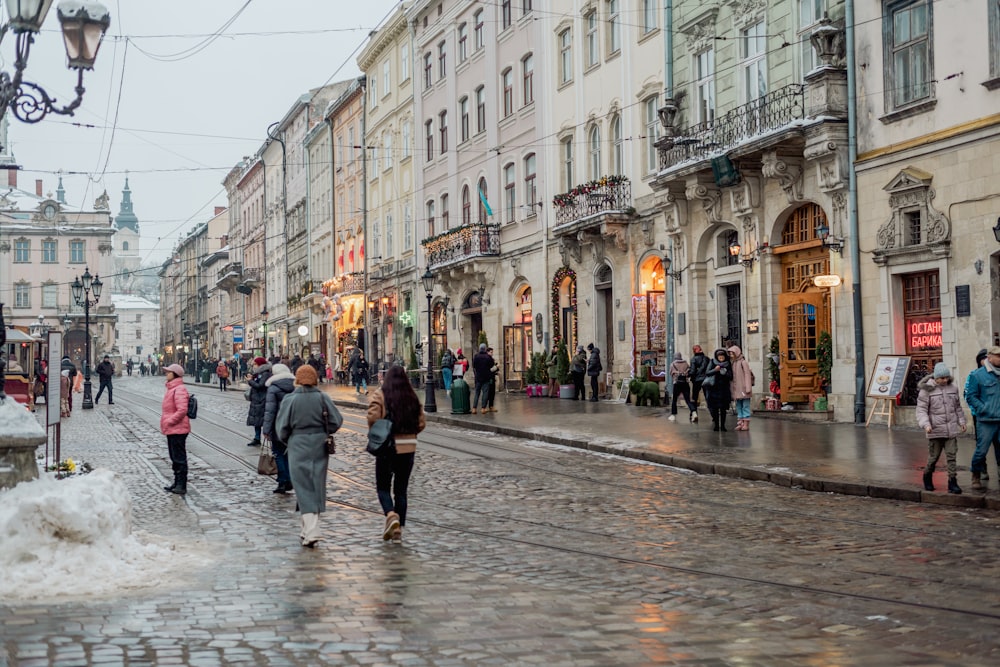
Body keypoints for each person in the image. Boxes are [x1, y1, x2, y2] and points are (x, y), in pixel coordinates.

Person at [276, 365, 343, 547]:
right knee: (316, 484)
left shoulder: (290, 399)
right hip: (320, 444)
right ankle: (306, 528)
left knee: (302, 486)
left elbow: (281, 428)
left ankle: (312, 530)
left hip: (297, 444)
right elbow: (336, 421)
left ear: (297, 379)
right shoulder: (323, 397)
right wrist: (323, 431)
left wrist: (289, 440)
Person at [367, 365, 426, 543]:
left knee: (383, 487)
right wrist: (409, 434)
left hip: (387, 447)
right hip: (408, 448)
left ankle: (391, 515)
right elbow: (421, 423)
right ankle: (398, 530)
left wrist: (379, 430)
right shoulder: (412, 397)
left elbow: (372, 417)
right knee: (401, 490)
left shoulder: (381, 395)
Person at [917, 363, 965, 494]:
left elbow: (957, 407)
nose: (945, 380)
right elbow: (921, 410)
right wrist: (926, 424)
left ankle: (952, 482)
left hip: (950, 430)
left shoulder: (953, 388)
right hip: (935, 430)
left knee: (951, 456)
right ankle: (927, 477)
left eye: (947, 378)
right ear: (936, 378)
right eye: (942, 378)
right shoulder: (926, 390)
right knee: (933, 457)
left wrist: (961, 421)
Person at [964, 346, 1000, 491]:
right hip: (986, 420)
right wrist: (982, 408)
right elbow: (971, 396)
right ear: (989, 358)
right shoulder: (977, 375)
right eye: (998, 356)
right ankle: (976, 475)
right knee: (981, 450)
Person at [262, 363, 296, 494]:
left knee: (278, 453)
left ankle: (283, 480)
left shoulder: (273, 387)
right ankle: (289, 478)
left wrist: (266, 430)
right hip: (292, 425)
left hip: (278, 425)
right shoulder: (295, 386)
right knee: (288, 453)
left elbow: (269, 411)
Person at [160, 364, 191, 495]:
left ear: (175, 374)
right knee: (174, 456)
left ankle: (181, 484)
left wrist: (170, 421)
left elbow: (182, 410)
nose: (166, 374)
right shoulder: (172, 388)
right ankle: (176, 481)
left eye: (169, 372)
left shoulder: (179, 389)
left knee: (179, 457)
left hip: (178, 428)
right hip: (172, 428)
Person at [245, 356, 272, 447]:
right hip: (257, 400)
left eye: (255, 364)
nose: (254, 366)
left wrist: (250, 381)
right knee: (257, 420)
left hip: (262, 400)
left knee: (262, 419)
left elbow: (260, 385)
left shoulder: (265, 373)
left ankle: (268, 437)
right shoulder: (258, 373)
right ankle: (257, 438)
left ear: (260, 364)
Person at [705, 348, 733, 432]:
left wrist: (725, 372)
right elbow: (707, 372)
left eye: (722, 357)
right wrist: (715, 370)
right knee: (715, 408)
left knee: (723, 409)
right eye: (719, 357)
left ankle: (723, 426)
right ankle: (716, 425)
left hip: (724, 389)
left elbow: (731, 376)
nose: (721, 358)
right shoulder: (712, 362)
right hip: (714, 388)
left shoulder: (728, 364)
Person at [728, 345, 753, 431]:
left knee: (745, 406)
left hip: (743, 388)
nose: (731, 356)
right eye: (730, 354)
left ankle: (746, 423)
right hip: (736, 389)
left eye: (732, 354)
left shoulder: (743, 362)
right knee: (739, 406)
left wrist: (748, 387)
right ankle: (740, 422)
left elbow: (747, 375)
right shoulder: (733, 363)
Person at [667, 352, 695, 422]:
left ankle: (673, 415)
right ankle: (694, 412)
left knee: (674, 399)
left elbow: (671, 373)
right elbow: (689, 372)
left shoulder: (673, 364)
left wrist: (676, 374)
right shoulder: (686, 363)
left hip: (677, 383)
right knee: (688, 400)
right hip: (685, 383)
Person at [687, 345, 711, 423]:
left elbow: (693, 371)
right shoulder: (707, 359)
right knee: (708, 397)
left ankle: (694, 414)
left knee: (694, 397)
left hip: (696, 380)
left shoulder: (693, 359)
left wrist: (689, 374)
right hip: (706, 379)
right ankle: (713, 415)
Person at [471, 343, 494, 414]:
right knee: (485, 393)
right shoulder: (488, 357)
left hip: (478, 377)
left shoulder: (476, 356)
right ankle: (483, 408)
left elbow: (474, 366)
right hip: (486, 377)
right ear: (485, 349)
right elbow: (491, 365)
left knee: (477, 393)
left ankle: (474, 408)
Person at [485, 347, 499, 412]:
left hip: (491, 377)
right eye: (491, 352)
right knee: (490, 392)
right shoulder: (488, 358)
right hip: (490, 377)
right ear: (487, 352)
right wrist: (496, 367)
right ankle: (489, 406)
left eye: (492, 352)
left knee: (491, 392)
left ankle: (490, 406)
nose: (492, 353)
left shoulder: (490, 358)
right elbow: (490, 370)